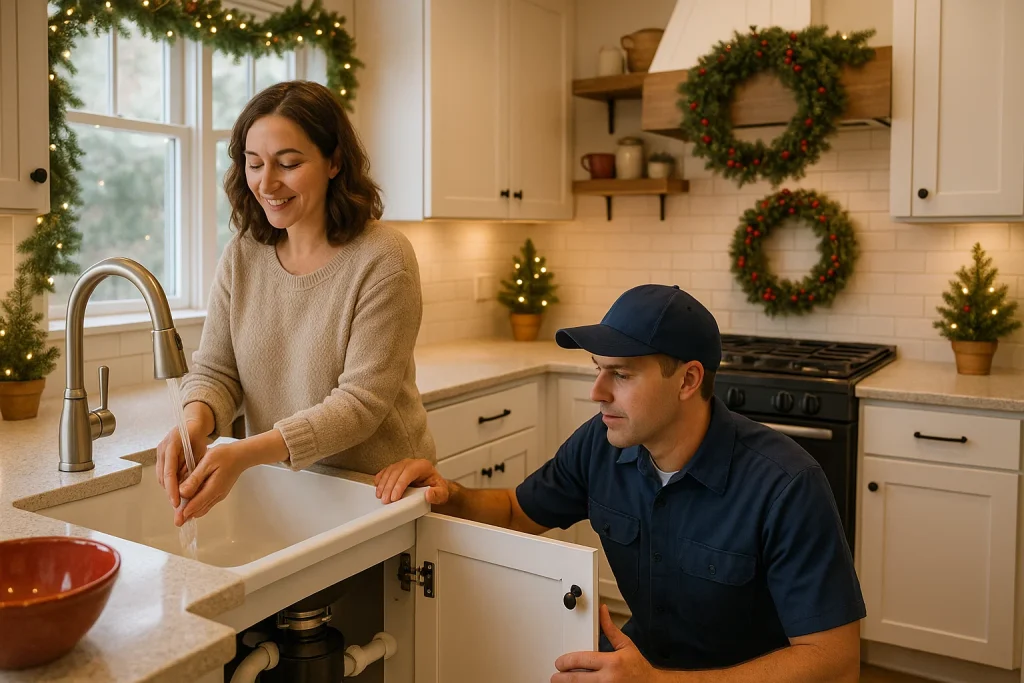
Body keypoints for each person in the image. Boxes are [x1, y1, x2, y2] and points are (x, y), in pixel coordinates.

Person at [374, 284, 864, 682]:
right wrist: (445, 493)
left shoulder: (787, 484)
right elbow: (513, 511)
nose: (596, 392)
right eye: (597, 370)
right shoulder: (601, 445)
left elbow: (834, 660)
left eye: (622, 374)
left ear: (688, 381)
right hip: (640, 662)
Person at [156, 80, 435, 527]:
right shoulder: (243, 253)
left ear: (334, 162)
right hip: (284, 488)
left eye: (288, 163)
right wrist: (195, 424)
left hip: (377, 492)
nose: (266, 183)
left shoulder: (383, 256)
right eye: (254, 164)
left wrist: (245, 453)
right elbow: (216, 371)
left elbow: (360, 404)